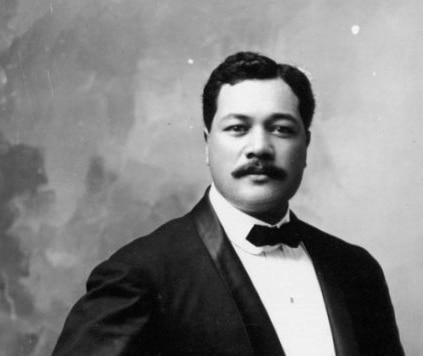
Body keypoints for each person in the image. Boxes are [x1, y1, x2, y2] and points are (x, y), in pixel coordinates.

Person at [52, 52, 404, 356]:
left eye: (281, 129)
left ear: (305, 145)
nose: (259, 148)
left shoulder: (357, 271)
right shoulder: (140, 276)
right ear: (207, 144)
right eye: (237, 128)